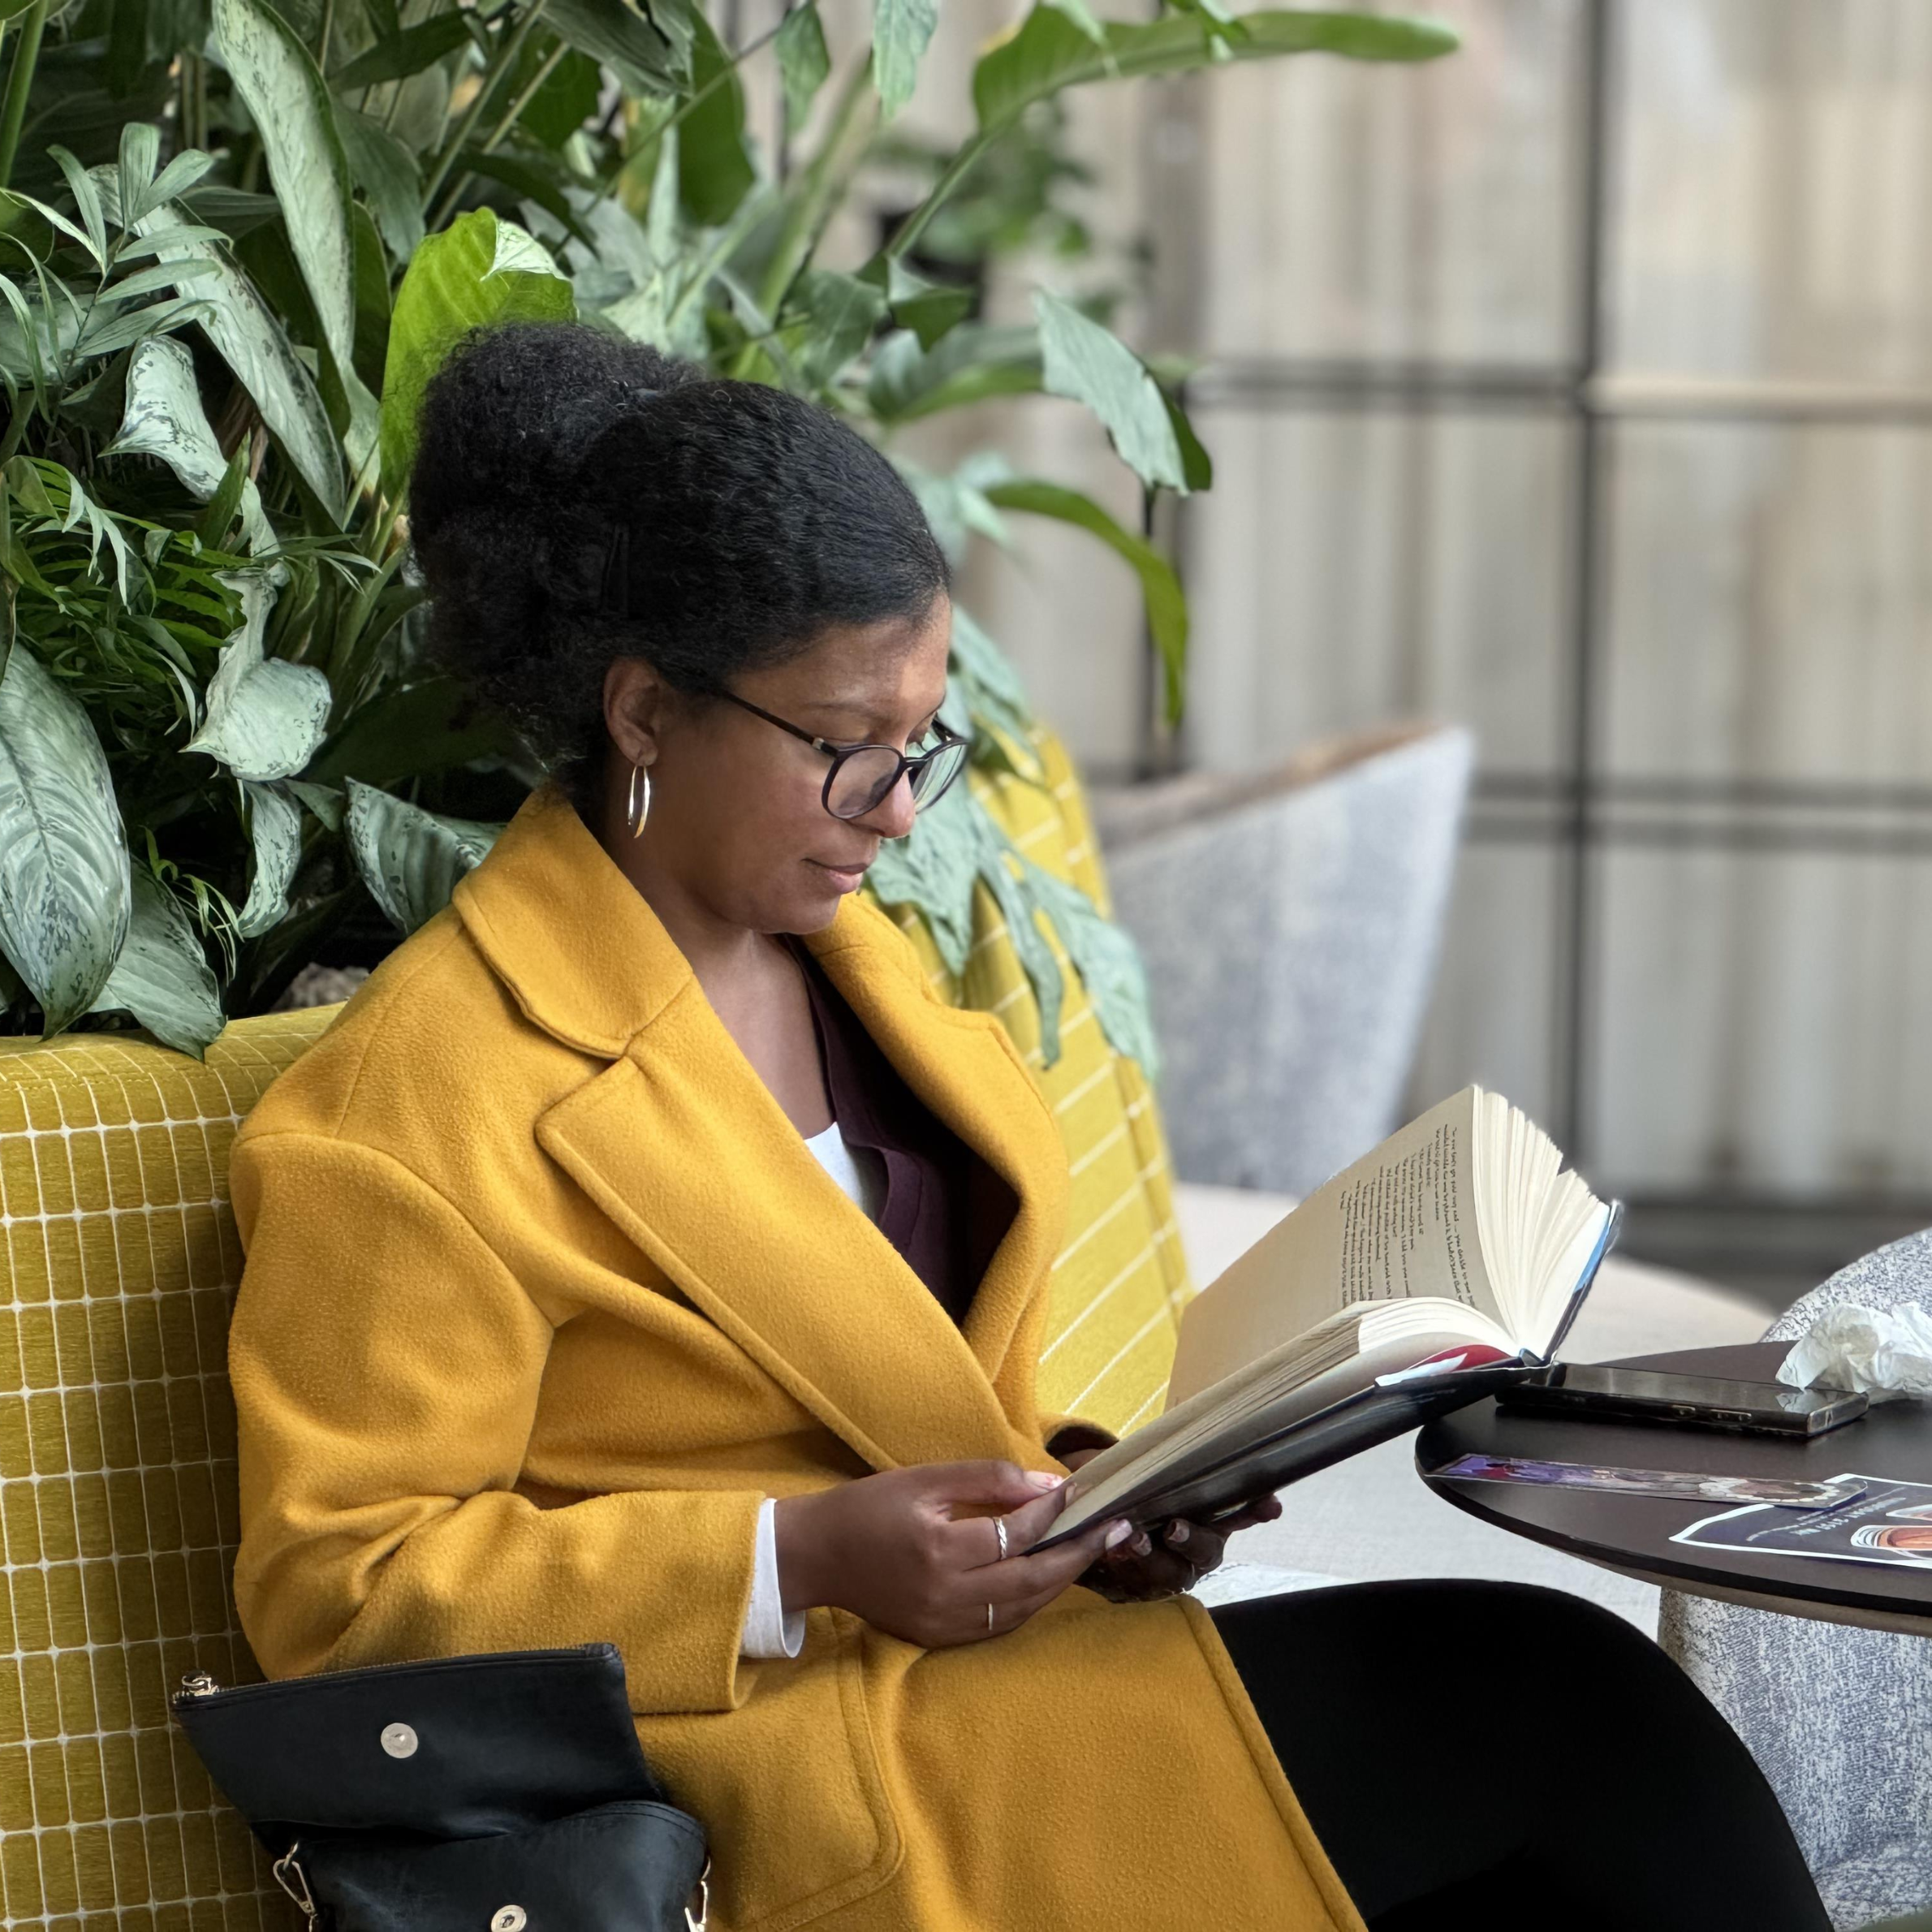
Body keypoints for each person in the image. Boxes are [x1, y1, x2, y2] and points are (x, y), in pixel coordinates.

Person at [226, 321, 1831, 1932]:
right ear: (644, 712)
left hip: (991, 1688)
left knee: (1548, 1770)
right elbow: (340, 1596)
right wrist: (799, 1557)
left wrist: (1085, 1500)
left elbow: (897, 1385)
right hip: (769, 1781)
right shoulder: (416, 1095)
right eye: (843, 746)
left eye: (919, 740)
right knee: (1560, 1712)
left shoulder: (860, 972)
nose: (898, 805)